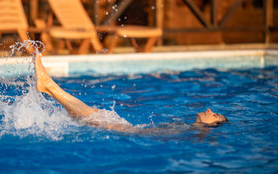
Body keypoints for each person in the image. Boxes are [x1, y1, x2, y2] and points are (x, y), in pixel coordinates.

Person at [34, 54, 228, 133]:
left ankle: (49, 86)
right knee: (89, 114)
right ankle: (48, 86)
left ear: (213, 125)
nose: (210, 110)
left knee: (89, 115)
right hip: (134, 131)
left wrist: (206, 135)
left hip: (134, 134)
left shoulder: (197, 132)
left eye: (215, 115)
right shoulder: (189, 127)